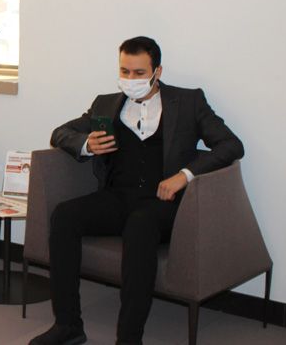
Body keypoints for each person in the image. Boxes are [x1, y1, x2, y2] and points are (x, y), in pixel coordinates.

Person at [30, 36, 243, 345]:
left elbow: (231, 145)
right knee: (64, 216)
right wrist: (86, 144)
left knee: (140, 225)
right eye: (124, 71)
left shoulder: (188, 102)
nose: (130, 79)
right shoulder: (105, 104)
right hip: (118, 197)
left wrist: (185, 175)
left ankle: (129, 339)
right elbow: (60, 133)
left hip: (163, 203)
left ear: (157, 71)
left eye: (139, 73)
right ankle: (68, 325)